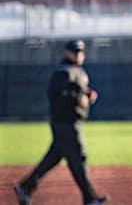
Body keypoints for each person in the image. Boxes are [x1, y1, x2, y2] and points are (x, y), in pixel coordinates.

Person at [14, 40, 107, 205]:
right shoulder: (62, 72)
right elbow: (57, 94)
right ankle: (90, 198)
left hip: (69, 122)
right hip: (66, 123)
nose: (78, 54)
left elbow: (76, 90)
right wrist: (79, 98)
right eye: (75, 51)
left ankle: (25, 187)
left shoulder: (75, 71)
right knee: (78, 159)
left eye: (80, 51)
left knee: (53, 158)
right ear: (67, 52)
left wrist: (87, 93)